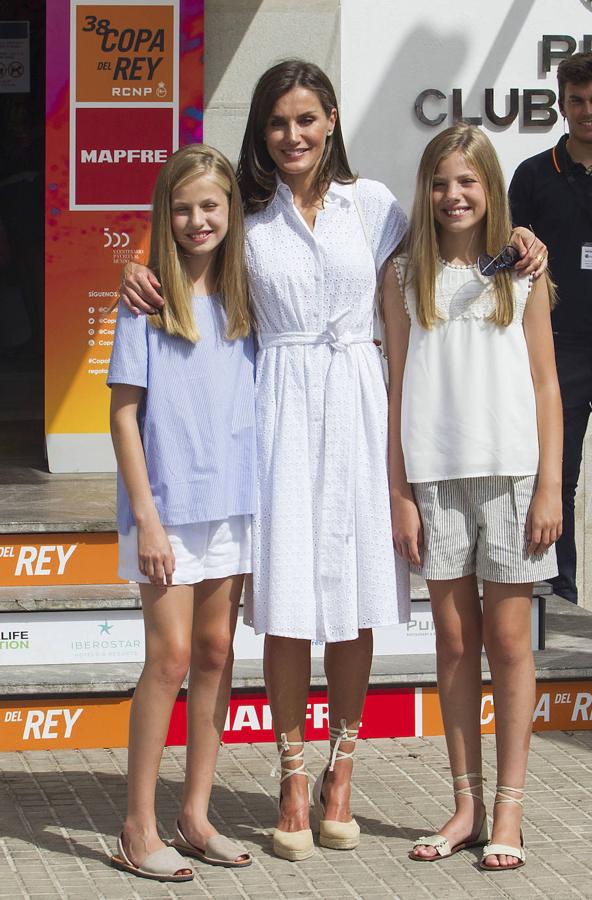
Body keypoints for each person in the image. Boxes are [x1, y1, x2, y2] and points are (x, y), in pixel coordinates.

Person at [119, 62, 548, 862]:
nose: (294, 136)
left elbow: (455, 243)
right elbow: (191, 252)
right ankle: (289, 776)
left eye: (307, 119)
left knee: (352, 600)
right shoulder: (247, 214)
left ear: (332, 121)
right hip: (275, 411)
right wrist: (135, 270)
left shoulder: (377, 205)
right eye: (279, 122)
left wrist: (521, 239)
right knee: (285, 601)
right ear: (263, 130)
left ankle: (339, 775)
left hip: (359, 407)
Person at [384, 123, 562, 872]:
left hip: (515, 476)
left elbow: (548, 386)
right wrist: (399, 490)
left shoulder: (520, 273)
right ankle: (466, 805)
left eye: (468, 182)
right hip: (435, 477)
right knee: (454, 643)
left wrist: (552, 482)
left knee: (511, 643)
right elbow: (395, 388)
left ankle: (511, 810)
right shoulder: (400, 277)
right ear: (425, 192)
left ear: (490, 189)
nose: (453, 196)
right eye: (439, 182)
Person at [107, 144, 255, 882]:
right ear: (166, 215)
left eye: (211, 206)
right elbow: (124, 417)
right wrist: (148, 517)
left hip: (232, 507)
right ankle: (138, 827)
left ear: (231, 212)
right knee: (166, 661)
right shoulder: (146, 296)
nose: (199, 220)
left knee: (216, 658)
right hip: (164, 510)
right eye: (184, 206)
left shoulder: (244, 295)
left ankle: (195, 815)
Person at [509, 52, 592, 605]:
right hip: (562, 347)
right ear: (561, 105)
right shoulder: (534, 175)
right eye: (579, 101)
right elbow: (509, 255)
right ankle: (558, 595)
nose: (588, 111)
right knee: (556, 474)